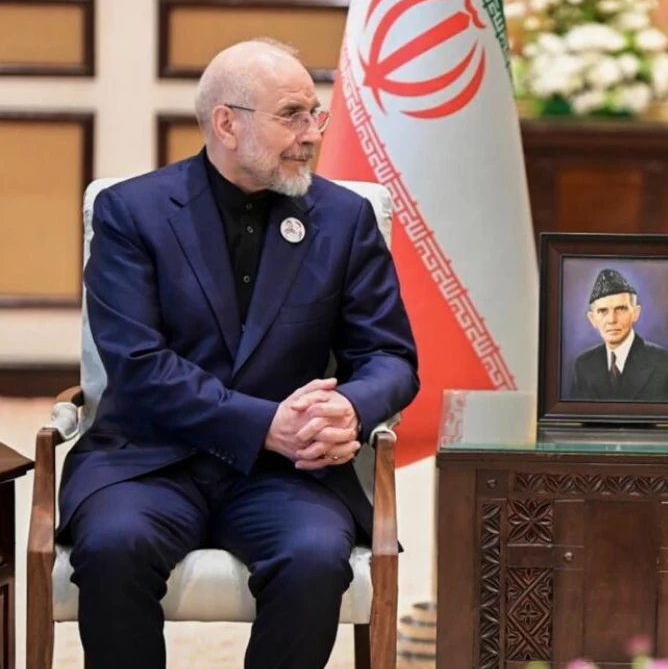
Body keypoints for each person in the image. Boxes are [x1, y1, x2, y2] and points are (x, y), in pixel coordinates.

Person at [59, 38, 419, 669]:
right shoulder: (132, 213)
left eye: (315, 114)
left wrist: (350, 409)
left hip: (288, 473)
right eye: (292, 115)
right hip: (149, 458)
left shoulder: (343, 218)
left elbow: (389, 355)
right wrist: (266, 423)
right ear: (227, 123)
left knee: (314, 557)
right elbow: (138, 365)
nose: (312, 133)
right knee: (114, 546)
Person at [569, 268, 668, 402]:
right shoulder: (583, 365)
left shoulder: (664, 363)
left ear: (636, 313)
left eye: (621, 309)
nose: (612, 320)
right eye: (603, 311)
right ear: (592, 319)